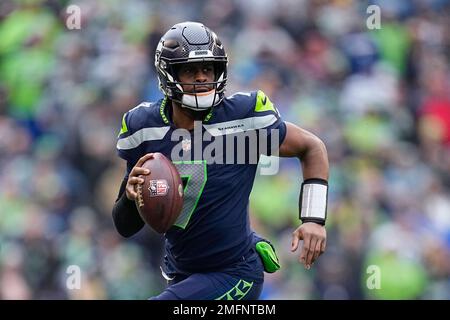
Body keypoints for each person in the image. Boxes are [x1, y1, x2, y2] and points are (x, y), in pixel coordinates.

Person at [112, 21, 329, 300]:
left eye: (208, 69)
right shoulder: (143, 126)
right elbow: (125, 227)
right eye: (190, 70)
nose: (202, 78)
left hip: (235, 272)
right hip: (183, 274)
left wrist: (313, 219)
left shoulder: (243, 116)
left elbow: (312, 147)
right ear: (168, 74)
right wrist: (131, 198)